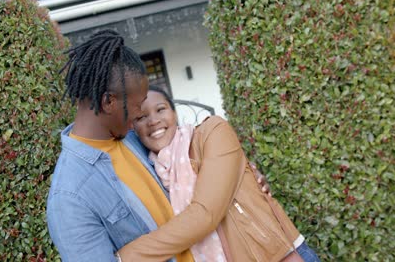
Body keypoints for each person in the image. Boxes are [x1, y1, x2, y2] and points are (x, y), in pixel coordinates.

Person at [46, 30, 270, 262]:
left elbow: (190, 160)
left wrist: (239, 173)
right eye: (138, 106)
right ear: (108, 101)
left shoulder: (133, 138)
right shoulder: (69, 198)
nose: (141, 116)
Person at [117, 86, 321, 262]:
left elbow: (205, 214)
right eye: (141, 117)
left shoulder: (211, 132)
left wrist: (123, 257)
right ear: (133, 128)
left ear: (174, 113)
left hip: (276, 255)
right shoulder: (154, 173)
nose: (153, 121)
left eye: (160, 109)